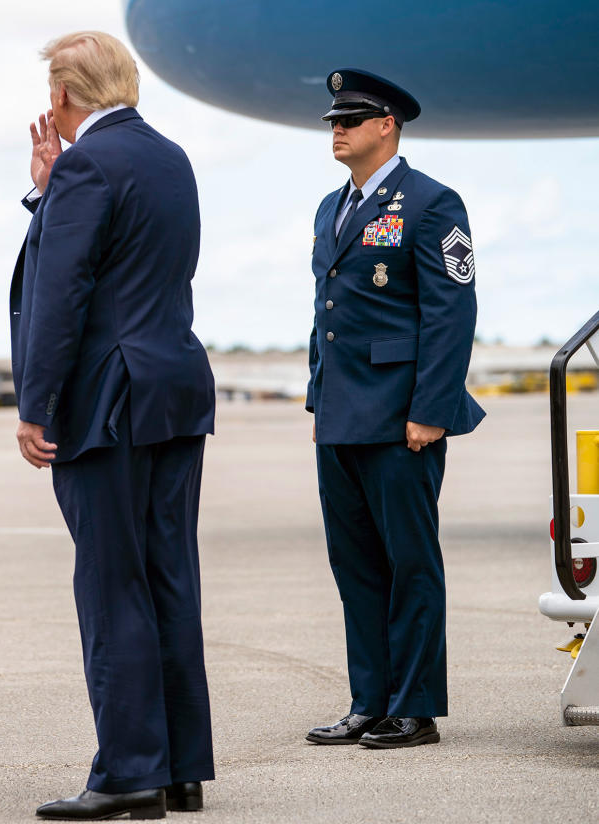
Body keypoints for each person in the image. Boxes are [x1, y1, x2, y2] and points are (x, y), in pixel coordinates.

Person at [12, 32, 215, 821]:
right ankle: (178, 767)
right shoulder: (170, 156)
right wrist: (47, 194)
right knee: (169, 577)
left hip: (108, 398)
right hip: (172, 388)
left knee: (111, 583)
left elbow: (61, 294)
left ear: (63, 97)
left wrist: (36, 405)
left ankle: (128, 770)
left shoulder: (89, 164)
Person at [304, 68, 484, 749]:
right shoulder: (332, 208)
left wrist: (431, 408)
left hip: (402, 415)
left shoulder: (433, 203)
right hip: (341, 414)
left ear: (387, 125)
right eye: (332, 121)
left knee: (409, 562)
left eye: (350, 118)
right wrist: (319, 396)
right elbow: (328, 313)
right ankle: (369, 699)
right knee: (354, 565)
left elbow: (450, 314)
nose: (338, 129)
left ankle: (416, 706)